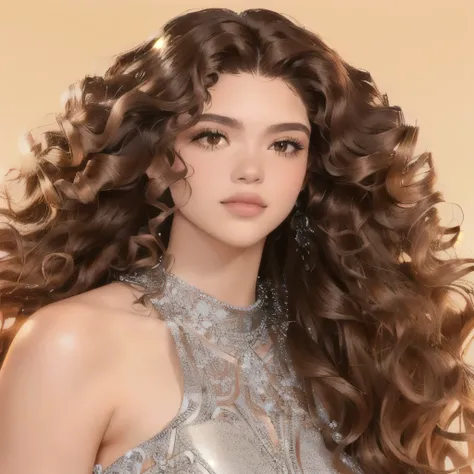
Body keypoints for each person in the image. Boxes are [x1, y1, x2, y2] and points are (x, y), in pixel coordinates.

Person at [0, 7, 473, 474]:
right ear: (159, 156)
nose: (251, 170)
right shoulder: (71, 342)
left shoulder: (336, 350)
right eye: (213, 137)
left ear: (309, 171)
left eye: (284, 144)